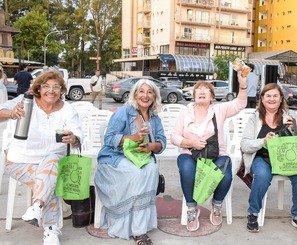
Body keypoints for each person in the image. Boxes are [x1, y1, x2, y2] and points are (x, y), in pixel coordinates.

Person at [0, 70, 83, 245]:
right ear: (39, 87)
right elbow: (1, 112)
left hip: (52, 161)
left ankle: (37, 208)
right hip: (20, 161)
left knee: (51, 163)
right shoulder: (26, 100)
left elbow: (79, 135)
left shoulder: (68, 110)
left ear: (62, 90)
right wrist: (12, 113)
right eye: (46, 86)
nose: (51, 91)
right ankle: (50, 230)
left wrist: (73, 138)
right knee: (49, 180)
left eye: (56, 87)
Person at [170, 71, 247, 231]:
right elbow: (174, 136)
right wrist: (190, 142)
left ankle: (217, 204)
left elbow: (240, 104)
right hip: (189, 154)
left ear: (212, 96)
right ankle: (192, 209)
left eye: (206, 89)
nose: (202, 91)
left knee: (225, 176)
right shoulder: (186, 111)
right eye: (199, 89)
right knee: (186, 170)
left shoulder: (218, 110)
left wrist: (243, 84)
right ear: (194, 94)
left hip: (216, 155)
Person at [94, 79, 166, 244]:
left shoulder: (154, 118)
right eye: (141, 91)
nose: (145, 95)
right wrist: (133, 138)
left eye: (149, 92)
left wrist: (152, 146)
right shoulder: (124, 112)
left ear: (154, 96)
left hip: (141, 157)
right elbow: (109, 138)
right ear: (135, 94)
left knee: (151, 170)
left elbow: (162, 142)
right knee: (136, 173)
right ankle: (137, 231)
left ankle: (139, 224)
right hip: (114, 157)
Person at [240, 83, 297, 234]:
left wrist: (294, 129)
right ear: (262, 99)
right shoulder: (255, 117)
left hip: (287, 158)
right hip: (262, 157)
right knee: (262, 176)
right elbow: (245, 145)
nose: (272, 99)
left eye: (275, 96)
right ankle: (253, 213)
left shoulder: (290, 115)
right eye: (268, 96)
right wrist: (263, 141)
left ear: (281, 99)